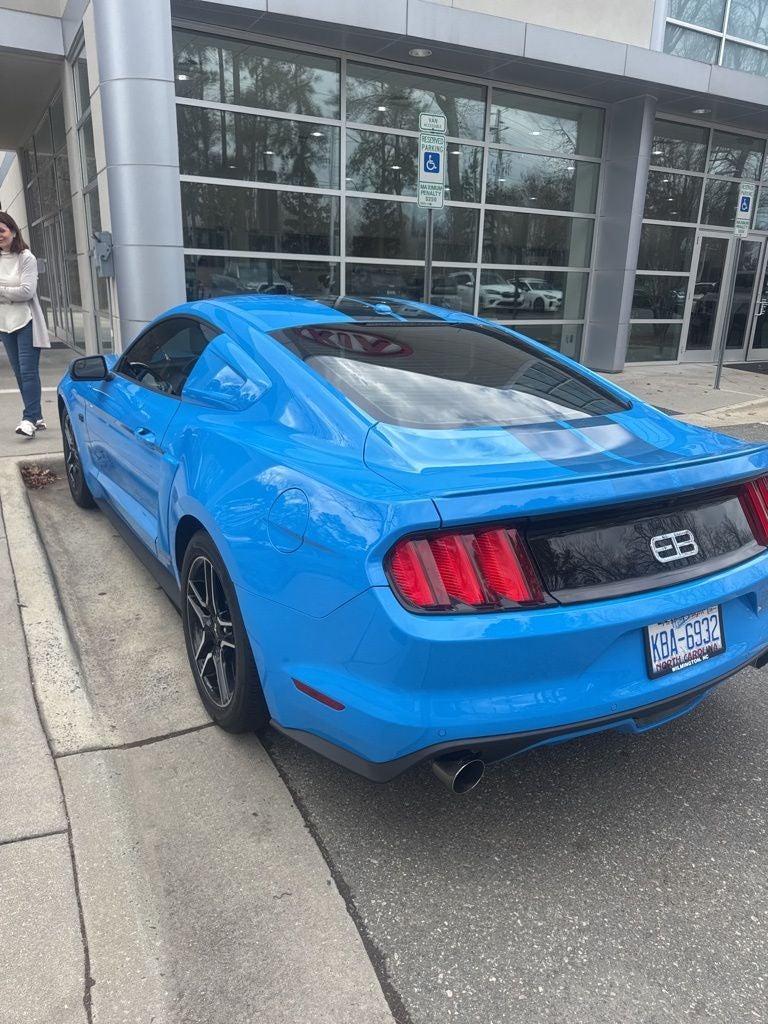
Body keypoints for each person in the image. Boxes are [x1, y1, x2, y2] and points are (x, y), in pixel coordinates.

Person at [0, 212, 50, 438]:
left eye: (2, 231)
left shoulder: (26, 258)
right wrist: (11, 293)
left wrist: (2, 292)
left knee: (29, 372)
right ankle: (37, 416)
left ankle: (29, 419)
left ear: (12, 231)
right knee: (20, 373)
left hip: (26, 322)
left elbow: (27, 291)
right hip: (5, 324)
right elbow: (17, 291)